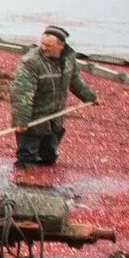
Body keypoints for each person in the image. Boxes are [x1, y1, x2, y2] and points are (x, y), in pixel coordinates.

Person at [9, 24, 97, 168]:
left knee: (49, 158)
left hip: (55, 117)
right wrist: (21, 120)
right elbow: (21, 92)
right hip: (34, 119)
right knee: (27, 159)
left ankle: (44, 182)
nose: (44, 48)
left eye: (48, 45)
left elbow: (75, 81)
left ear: (61, 45)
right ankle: (22, 183)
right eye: (42, 44)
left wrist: (91, 97)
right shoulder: (31, 62)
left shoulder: (68, 60)